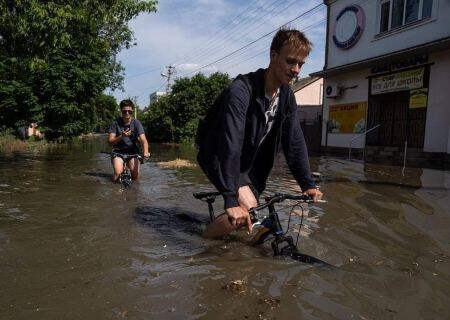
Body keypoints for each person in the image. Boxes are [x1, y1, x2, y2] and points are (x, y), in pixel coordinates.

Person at [197, 28, 323, 238]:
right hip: (218, 154)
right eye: (291, 61)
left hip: (247, 162)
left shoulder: (286, 96)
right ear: (273, 56)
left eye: (301, 64)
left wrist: (307, 183)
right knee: (249, 208)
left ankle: (239, 251)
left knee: (254, 216)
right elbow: (231, 141)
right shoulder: (241, 90)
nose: (296, 70)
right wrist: (230, 198)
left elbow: (294, 141)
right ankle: (199, 245)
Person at [107, 99, 151, 182]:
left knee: (135, 177)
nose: (127, 113)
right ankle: (115, 191)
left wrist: (145, 151)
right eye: (124, 111)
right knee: (117, 174)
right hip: (118, 152)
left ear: (132, 111)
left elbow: (143, 139)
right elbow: (110, 142)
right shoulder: (115, 123)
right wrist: (121, 136)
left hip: (133, 152)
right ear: (121, 111)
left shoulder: (137, 123)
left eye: (129, 111)